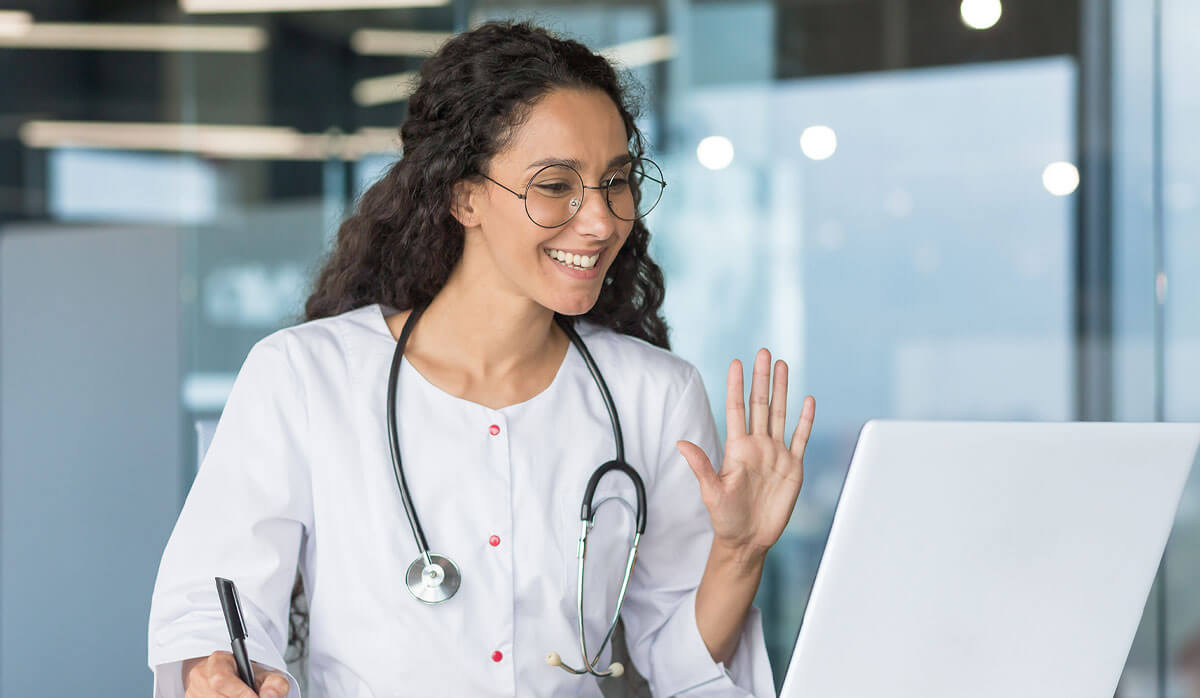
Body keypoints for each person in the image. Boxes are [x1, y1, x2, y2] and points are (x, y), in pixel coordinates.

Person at [147, 20, 815, 698]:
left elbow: (679, 669)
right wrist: (218, 673)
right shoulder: (306, 376)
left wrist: (740, 552)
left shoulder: (654, 395)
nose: (603, 220)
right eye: (555, 185)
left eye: (616, 180)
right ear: (463, 195)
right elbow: (213, 606)